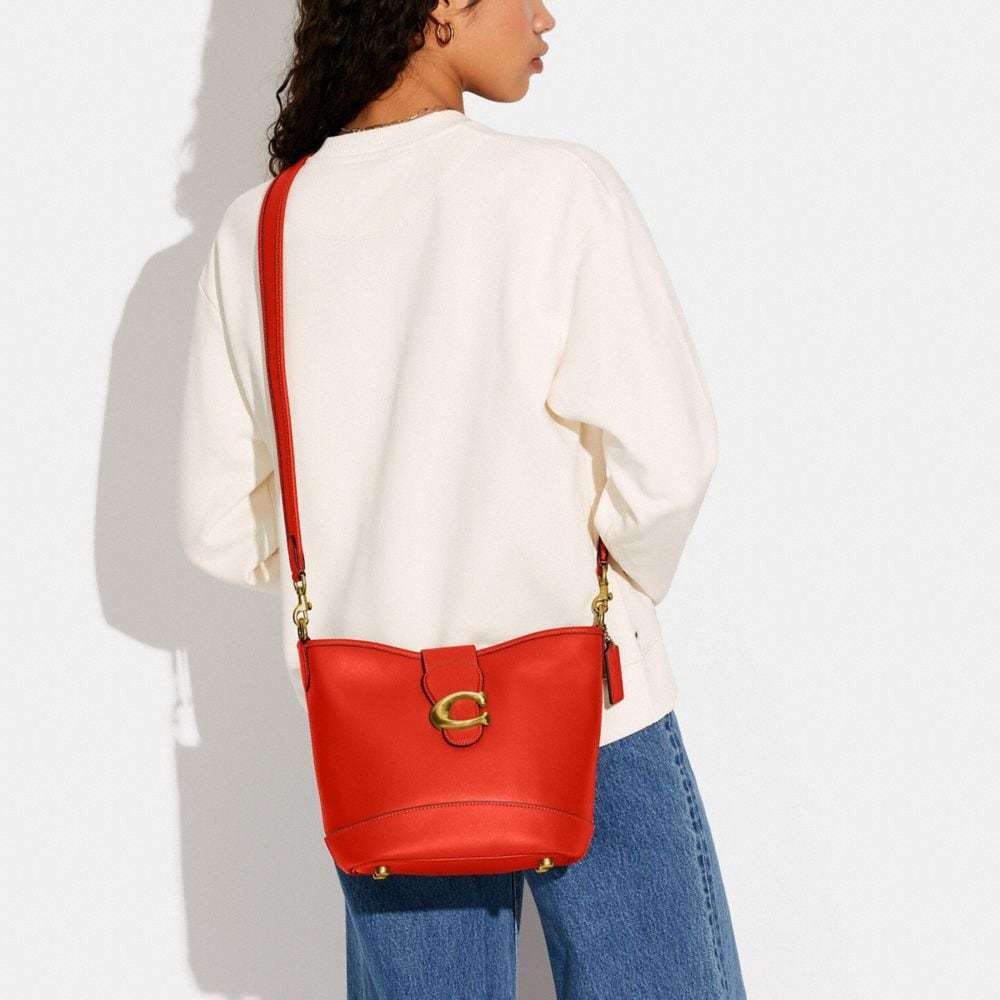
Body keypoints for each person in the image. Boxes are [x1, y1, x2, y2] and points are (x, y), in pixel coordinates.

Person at [176, 1, 747, 996]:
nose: (546, 15)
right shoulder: (557, 190)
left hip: (382, 749)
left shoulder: (260, 230)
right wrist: (593, 574)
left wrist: (364, 553)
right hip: (593, 702)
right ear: (440, 4)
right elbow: (669, 460)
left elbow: (218, 524)